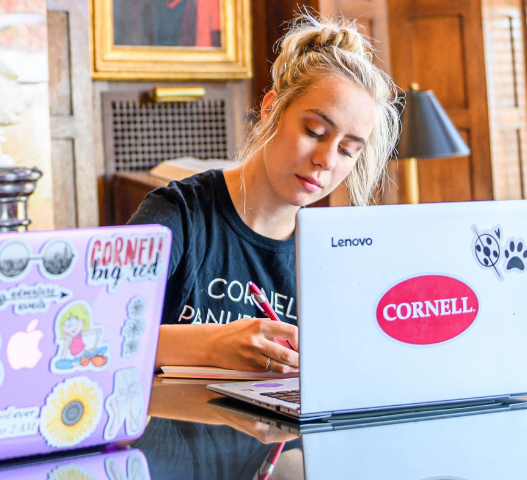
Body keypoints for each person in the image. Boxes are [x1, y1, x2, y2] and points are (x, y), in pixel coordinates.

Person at [127, 15, 400, 373]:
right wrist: (211, 345)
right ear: (271, 109)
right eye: (315, 131)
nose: (325, 160)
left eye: (348, 150)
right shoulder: (178, 215)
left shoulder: (333, 253)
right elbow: (92, 334)